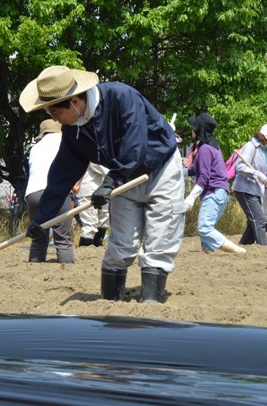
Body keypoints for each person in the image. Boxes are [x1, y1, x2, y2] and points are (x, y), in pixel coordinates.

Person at [19, 65, 184, 304]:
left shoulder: (121, 97)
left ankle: (151, 303)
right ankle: (109, 303)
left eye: (53, 112)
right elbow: (61, 176)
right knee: (121, 244)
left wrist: (111, 181)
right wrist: (42, 218)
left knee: (161, 239)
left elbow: (135, 147)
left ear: (74, 101)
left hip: (160, 171)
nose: (52, 118)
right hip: (122, 175)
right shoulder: (73, 130)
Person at [184, 113, 245, 254]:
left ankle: (237, 251)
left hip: (214, 193)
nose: (191, 130)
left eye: (194, 127)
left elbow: (204, 177)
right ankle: (208, 254)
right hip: (220, 192)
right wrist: (179, 171)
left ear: (200, 129)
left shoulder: (204, 149)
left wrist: (191, 197)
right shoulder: (213, 146)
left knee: (205, 228)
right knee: (206, 234)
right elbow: (196, 170)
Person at [24, 119, 74, 263]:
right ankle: (67, 271)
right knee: (62, 239)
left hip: (33, 194)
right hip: (56, 192)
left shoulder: (35, 147)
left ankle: (34, 270)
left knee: (38, 237)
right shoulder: (65, 142)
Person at [233, 123, 267, 246]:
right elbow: (240, 166)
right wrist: (256, 174)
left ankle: (243, 246)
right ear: (263, 136)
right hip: (245, 189)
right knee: (259, 219)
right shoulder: (251, 147)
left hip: (256, 189)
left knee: (254, 221)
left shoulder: (264, 150)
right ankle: (264, 247)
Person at [76, 162, 111, 247]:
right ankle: (85, 251)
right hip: (89, 190)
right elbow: (97, 166)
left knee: (104, 221)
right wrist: (118, 173)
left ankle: (97, 246)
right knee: (89, 223)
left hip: (104, 190)